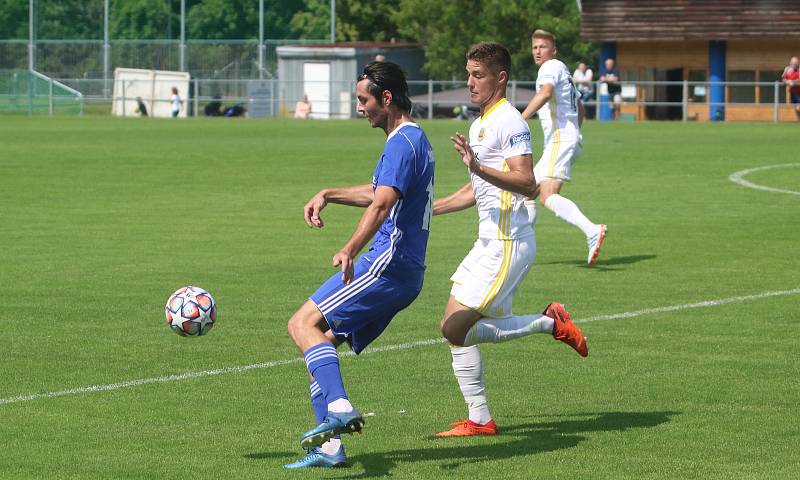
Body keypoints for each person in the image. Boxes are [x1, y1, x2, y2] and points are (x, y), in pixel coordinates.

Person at [284, 61, 435, 468]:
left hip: (387, 263)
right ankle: (331, 448)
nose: (359, 108)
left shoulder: (402, 143)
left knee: (301, 324)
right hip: (405, 271)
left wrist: (350, 247)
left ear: (386, 99)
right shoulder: (413, 139)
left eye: (363, 100)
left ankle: (339, 407)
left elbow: (383, 204)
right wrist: (329, 192)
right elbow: (377, 191)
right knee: (320, 342)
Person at [432, 42, 587, 438]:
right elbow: (475, 191)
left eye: (478, 74)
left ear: (500, 77)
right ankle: (480, 418)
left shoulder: (511, 122)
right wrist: (429, 210)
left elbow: (528, 183)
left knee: (455, 329)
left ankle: (549, 323)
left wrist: (478, 166)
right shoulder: (478, 124)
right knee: (451, 326)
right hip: (486, 242)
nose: (470, 82)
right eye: (468, 73)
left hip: (508, 243)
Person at [521, 30, 607, 265]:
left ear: (553, 50)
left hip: (560, 140)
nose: (537, 51)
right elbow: (580, 106)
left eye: (542, 47)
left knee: (547, 195)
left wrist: (522, 117)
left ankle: (591, 230)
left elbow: (545, 93)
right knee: (527, 190)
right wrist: (574, 133)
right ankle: (521, 249)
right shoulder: (564, 70)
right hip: (565, 139)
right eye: (535, 47)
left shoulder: (549, 68)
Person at [782, 57, 800, 121]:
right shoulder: (788, 69)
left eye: (795, 63)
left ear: (798, 63)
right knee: (796, 108)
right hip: (793, 93)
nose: (793, 64)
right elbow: (783, 78)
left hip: (799, 92)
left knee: (798, 108)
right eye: (792, 63)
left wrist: (792, 82)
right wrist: (787, 81)